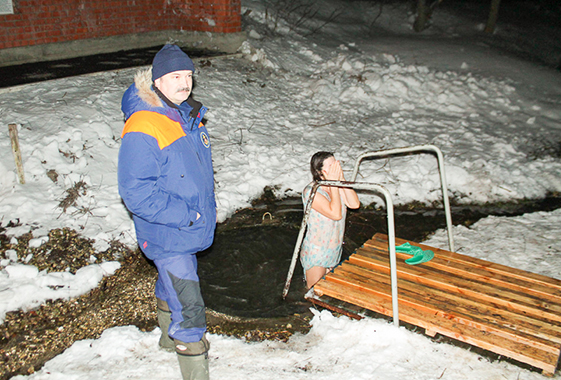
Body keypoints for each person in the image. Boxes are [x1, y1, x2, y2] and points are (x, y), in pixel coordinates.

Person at [118, 44, 216, 380]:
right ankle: (194, 368)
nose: (185, 82)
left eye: (188, 75)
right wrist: (187, 216)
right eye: (176, 75)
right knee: (190, 308)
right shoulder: (144, 125)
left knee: (170, 283)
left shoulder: (186, 114)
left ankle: (164, 340)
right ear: (157, 80)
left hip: (185, 227)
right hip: (169, 229)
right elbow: (137, 192)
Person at [300, 152, 360, 289]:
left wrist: (341, 179)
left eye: (336, 164)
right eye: (331, 166)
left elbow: (354, 204)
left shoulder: (337, 186)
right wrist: (334, 184)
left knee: (329, 290)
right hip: (317, 251)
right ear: (319, 171)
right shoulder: (311, 191)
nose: (335, 168)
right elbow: (335, 214)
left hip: (334, 249)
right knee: (314, 291)